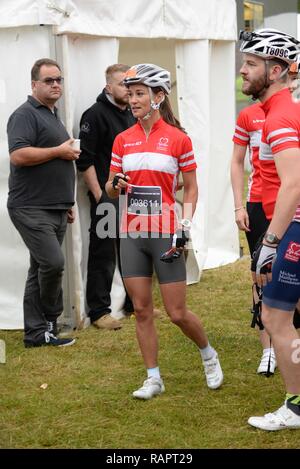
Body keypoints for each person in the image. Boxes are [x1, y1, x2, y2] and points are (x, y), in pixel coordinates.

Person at [105, 63, 223, 399]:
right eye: (130, 94)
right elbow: (110, 189)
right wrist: (115, 184)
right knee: (141, 309)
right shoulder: (122, 140)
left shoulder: (178, 139)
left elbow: (192, 188)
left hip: (166, 232)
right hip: (131, 233)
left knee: (176, 312)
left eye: (140, 94)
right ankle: (153, 377)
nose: (133, 100)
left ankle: (208, 354)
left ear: (159, 96)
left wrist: (185, 226)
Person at [239, 28, 300, 430]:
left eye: (250, 64)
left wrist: (271, 242)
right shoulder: (285, 110)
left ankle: (295, 407)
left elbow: (293, 182)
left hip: (292, 227)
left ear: (275, 70)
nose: (242, 72)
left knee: (276, 316)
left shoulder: (278, 115)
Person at [7, 58, 79, 347]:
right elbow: (18, 155)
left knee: (38, 269)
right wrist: (59, 151)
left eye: (59, 80)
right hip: (30, 207)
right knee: (52, 263)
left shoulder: (53, 114)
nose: (55, 85)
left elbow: (57, 161)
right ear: (34, 84)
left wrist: (66, 203)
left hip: (56, 207)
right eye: (49, 80)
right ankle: (51, 320)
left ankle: (36, 334)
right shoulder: (25, 114)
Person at [76, 64, 137, 330]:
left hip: (131, 197)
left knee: (133, 252)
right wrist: (102, 197)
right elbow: (85, 161)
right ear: (108, 87)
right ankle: (99, 311)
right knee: (102, 253)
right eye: (123, 84)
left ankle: (135, 304)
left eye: (131, 84)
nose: (129, 89)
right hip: (107, 198)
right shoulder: (95, 115)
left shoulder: (133, 114)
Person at [231, 102, 273, 375]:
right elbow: (236, 160)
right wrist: (239, 206)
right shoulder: (249, 114)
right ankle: (268, 349)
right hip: (258, 203)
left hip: (294, 202)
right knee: (261, 275)